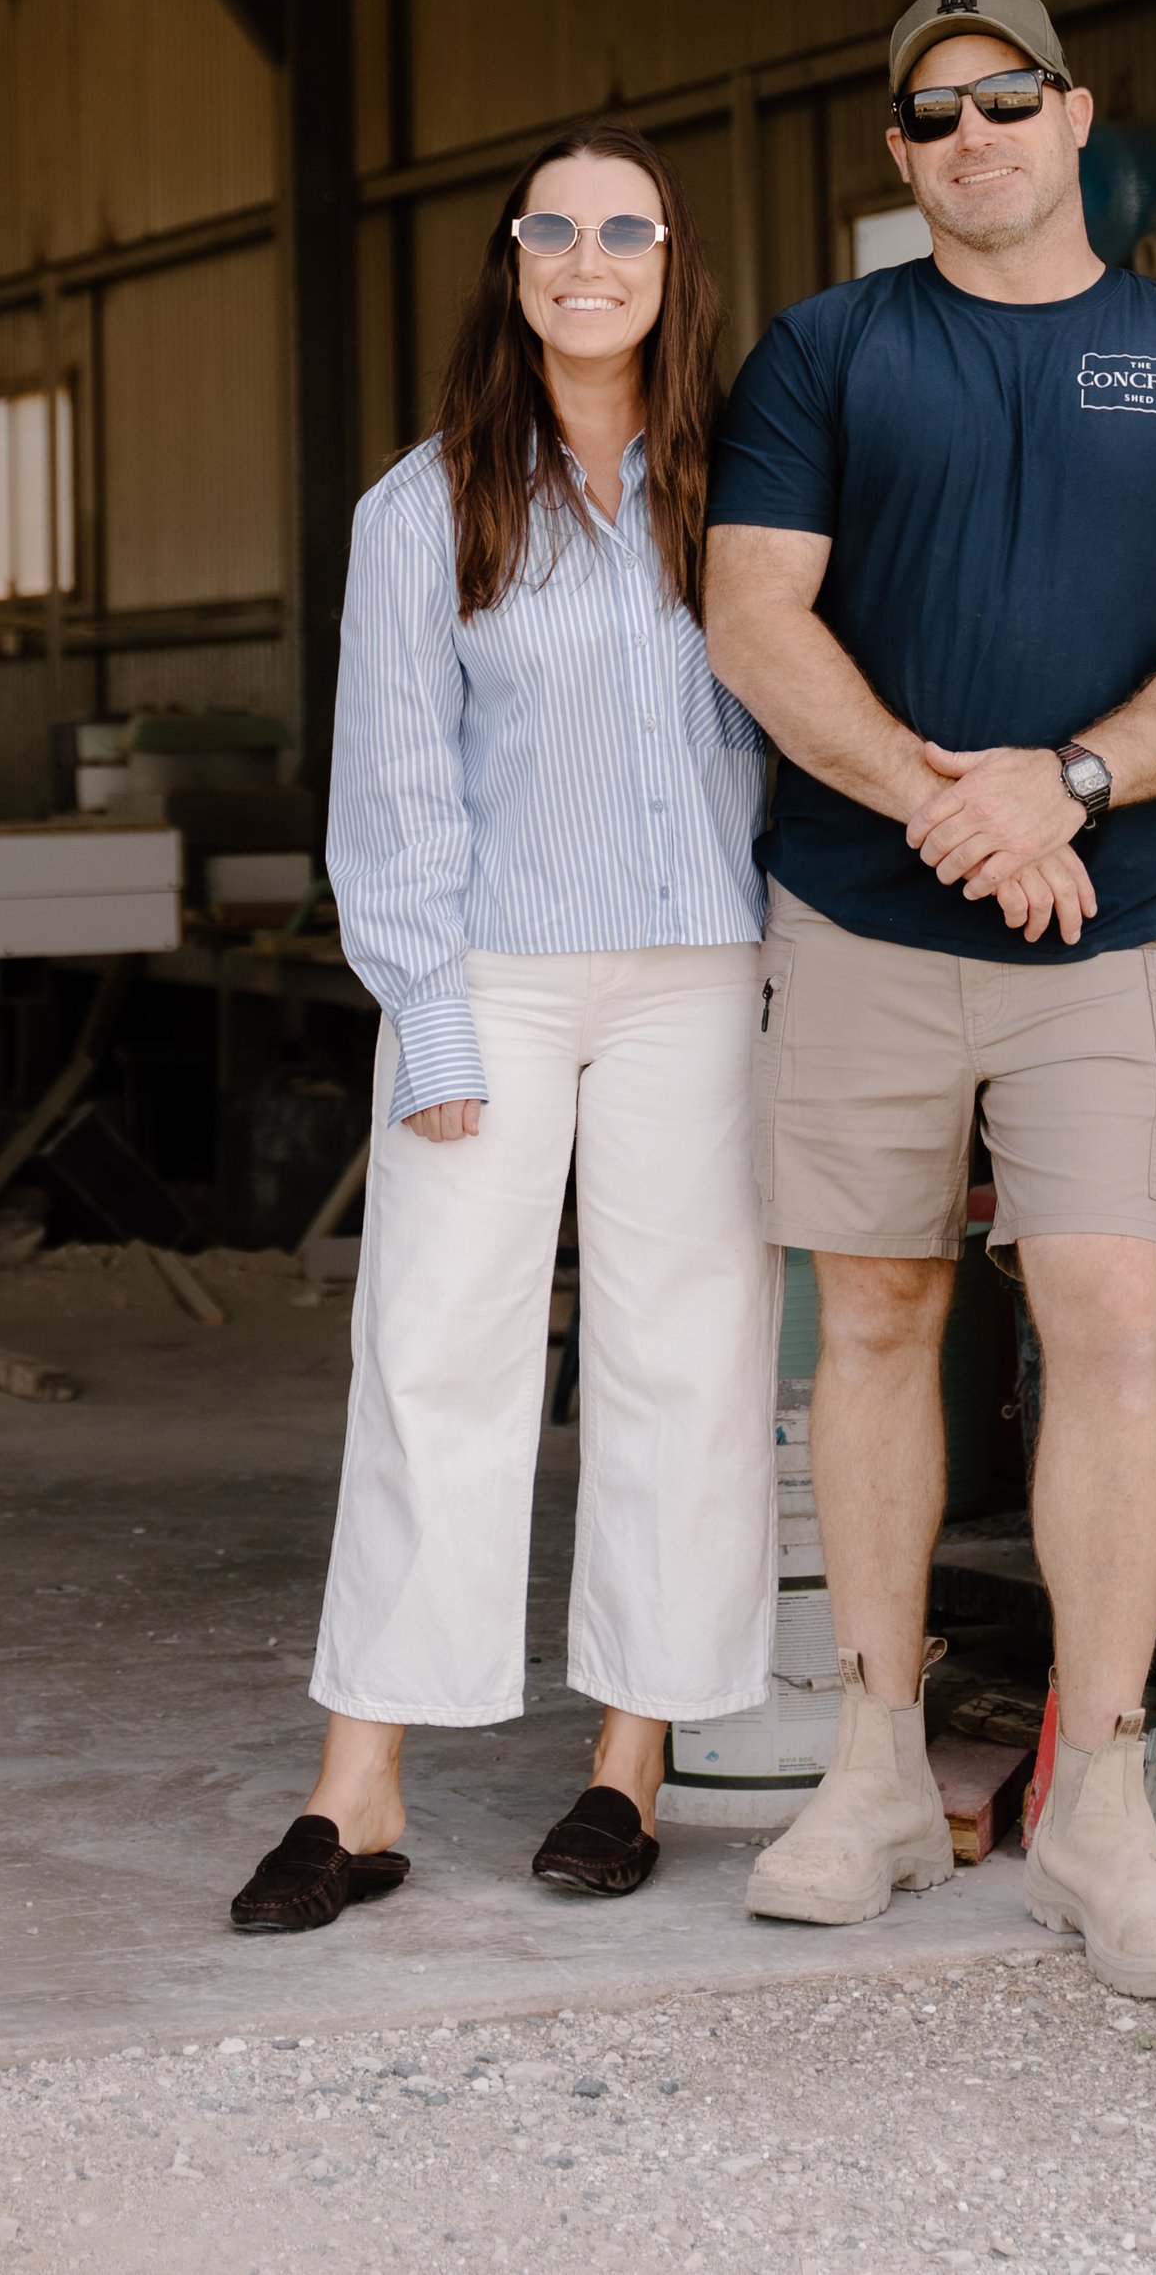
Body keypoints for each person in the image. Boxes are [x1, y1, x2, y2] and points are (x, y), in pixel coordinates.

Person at [703, 0, 1156, 1996]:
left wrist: (1059, 785)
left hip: (1103, 930)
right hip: (860, 923)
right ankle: (875, 1771)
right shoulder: (824, 353)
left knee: (1111, 1322)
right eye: (934, 118)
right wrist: (935, 803)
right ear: (899, 157)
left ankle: (1096, 1813)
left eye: (1008, 101)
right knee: (868, 1316)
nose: (973, 139)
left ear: (1074, 119)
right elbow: (750, 616)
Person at [228, 123, 775, 1935]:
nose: (591, 255)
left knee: (679, 1361)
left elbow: (792, 734)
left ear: (672, 257)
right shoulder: (427, 503)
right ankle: (358, 1786)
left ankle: (630, 1760)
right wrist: (433, 1024)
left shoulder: (745, 491)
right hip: (493, 978)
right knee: (432, 1357)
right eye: (558, 227)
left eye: (627, 226)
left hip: (702, 970)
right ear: (518, 262)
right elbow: (387, 795)